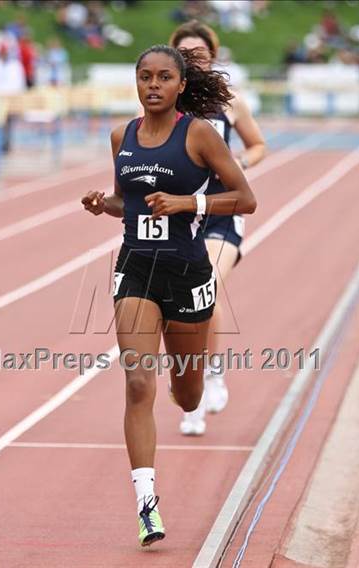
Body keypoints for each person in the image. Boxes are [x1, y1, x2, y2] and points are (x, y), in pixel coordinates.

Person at [82, 44, 256, 546]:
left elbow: (245, 198)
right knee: (138, 381)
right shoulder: (123, 136)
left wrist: (188, 201)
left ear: (181, 86)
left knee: (186, 393)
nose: (153, 85)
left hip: (188, 272)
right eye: (144, 77)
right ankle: (146, 505)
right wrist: (103, 204)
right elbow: (127, 201)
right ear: (135, 83)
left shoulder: (198, 133)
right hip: (136, 268)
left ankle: (194, 395)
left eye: (163, 77)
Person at [169, 20, 266, 435]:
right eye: (185, 54)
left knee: (203, 286)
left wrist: (238, 164)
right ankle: (191, 400)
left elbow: (258, 145)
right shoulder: (163, 103)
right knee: (180, 308)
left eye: (200, 54)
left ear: (212, 56)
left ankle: (212, 376)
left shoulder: (230, 102)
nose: (194, 60)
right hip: (180, 215)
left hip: (223, 211)